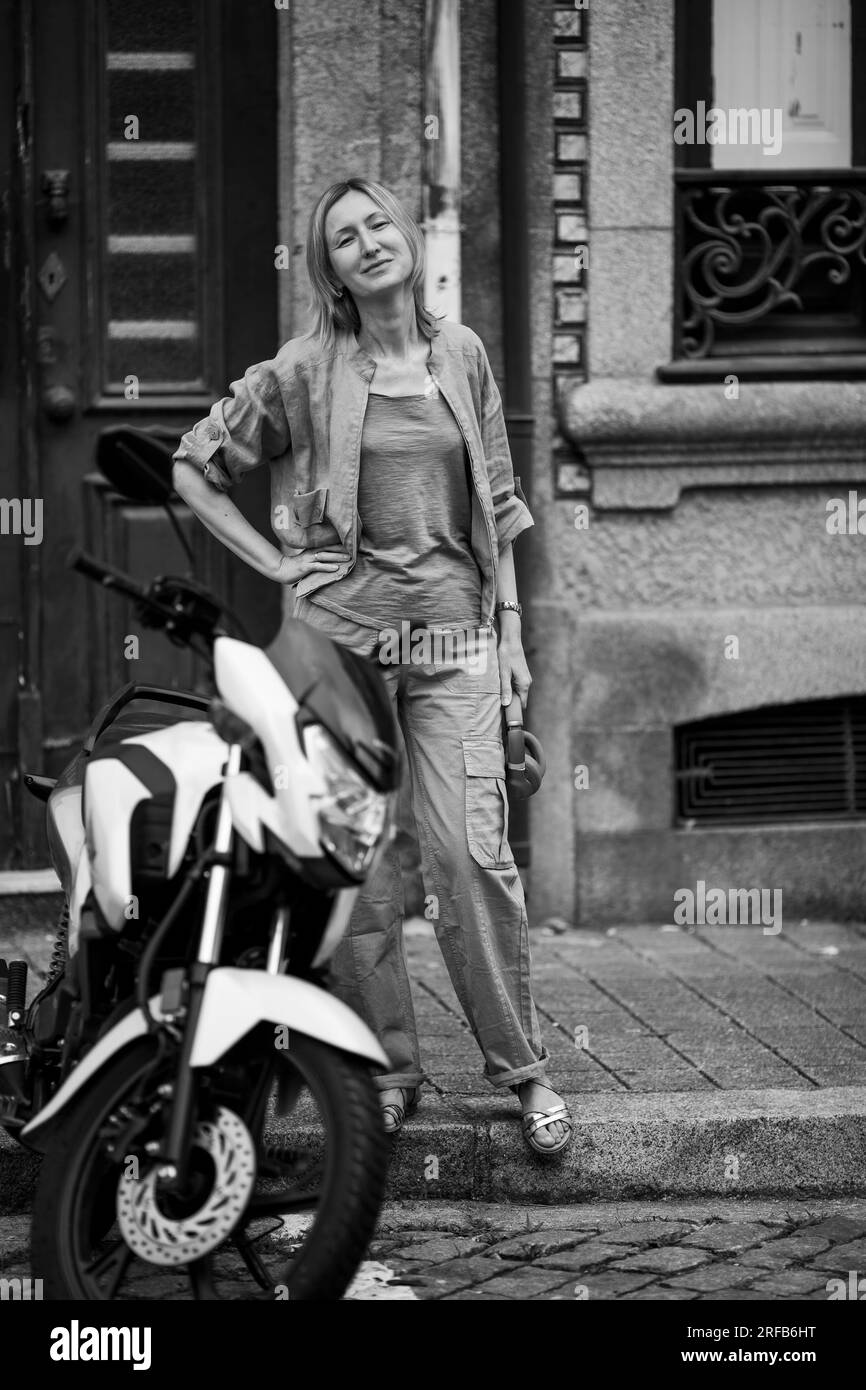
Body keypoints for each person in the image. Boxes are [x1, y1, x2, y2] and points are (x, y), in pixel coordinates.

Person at [171, 177, 572, 1156]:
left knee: (469, 854)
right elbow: (193, 463)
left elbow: (504, 507)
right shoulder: (307, 368)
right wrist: (272, 564)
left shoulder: (461, 353)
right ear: (333, 271)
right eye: (344, 238)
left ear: (402, 236)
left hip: (454, 643)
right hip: (341, 650)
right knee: (359, 870)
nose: (367, 243)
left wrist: (512, 632)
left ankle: (521, 1070)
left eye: (377, 224)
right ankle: (386, 1067)